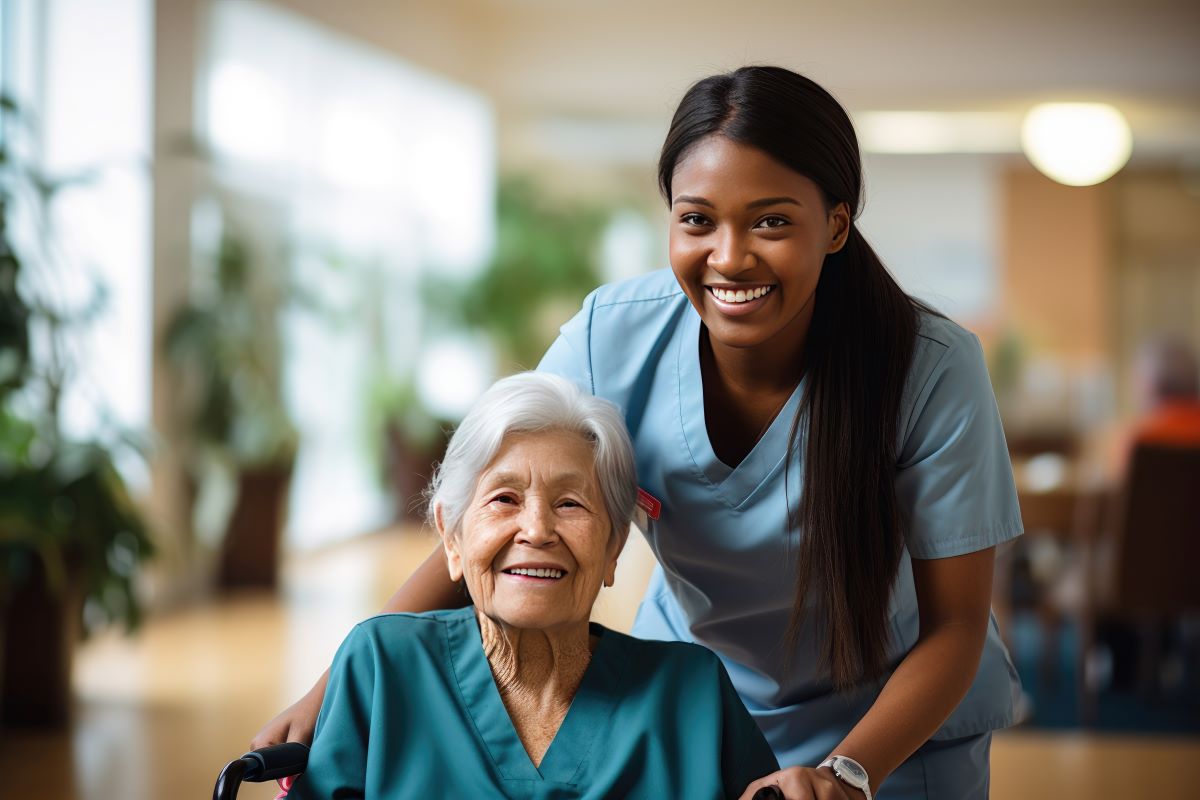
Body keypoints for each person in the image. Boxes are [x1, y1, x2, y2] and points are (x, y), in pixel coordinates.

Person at [256, 66, 1023, 799]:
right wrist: (333, 691)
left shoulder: (929, 368)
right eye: (697, 220)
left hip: (890, 729)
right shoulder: (613, 339)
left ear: (835, 225)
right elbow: (490, 522)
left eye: (771, 222)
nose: (729, 257)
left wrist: (848, 773)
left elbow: (956, 626)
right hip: (694, 710)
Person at [283, 372, 780, 799]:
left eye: (570, 504)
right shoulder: (381, 667)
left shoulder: (693, 696)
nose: (537, 530)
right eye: (504, 499)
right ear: (452, 538)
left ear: (613, 548)